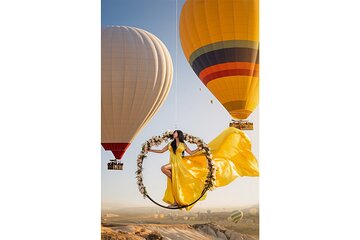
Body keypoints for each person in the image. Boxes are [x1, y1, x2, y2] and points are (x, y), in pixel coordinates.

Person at [148, 127, 259, 211]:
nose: (174, 133)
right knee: (164, 169)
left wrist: (199, 149)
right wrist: (151, 150)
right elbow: (161, 151)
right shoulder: (170, 144)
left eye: (176, 132)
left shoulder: (183, 144)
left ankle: (177, 180)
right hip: (173, 163)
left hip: (180, 163)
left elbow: (191, 153)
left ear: (179, 134)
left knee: (163, 168)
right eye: (174, 132)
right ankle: (177, 192)